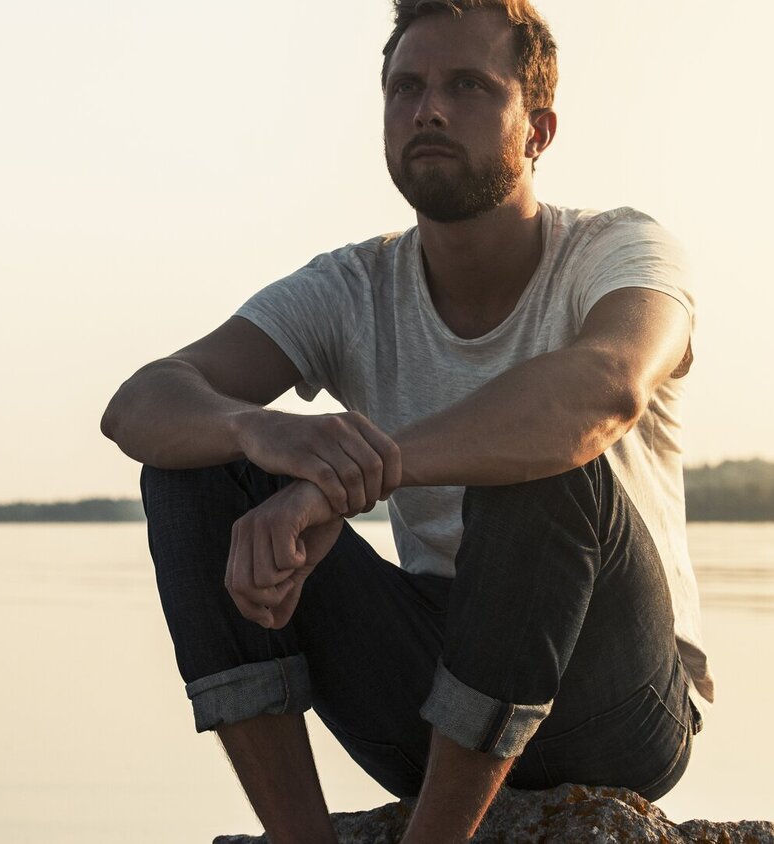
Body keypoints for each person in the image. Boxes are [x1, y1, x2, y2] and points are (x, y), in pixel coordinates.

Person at [101, 1, 713, 841]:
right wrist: (260, 433)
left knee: (542, 460)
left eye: (467, 86)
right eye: (406, 88)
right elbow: (142, 401)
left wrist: (333, 489)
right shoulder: (354, 285)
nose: (427, 108)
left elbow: (605, 386)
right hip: (427, 698)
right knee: (192, 467)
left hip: (615, 702)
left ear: (539, 129)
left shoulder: (620, 250)